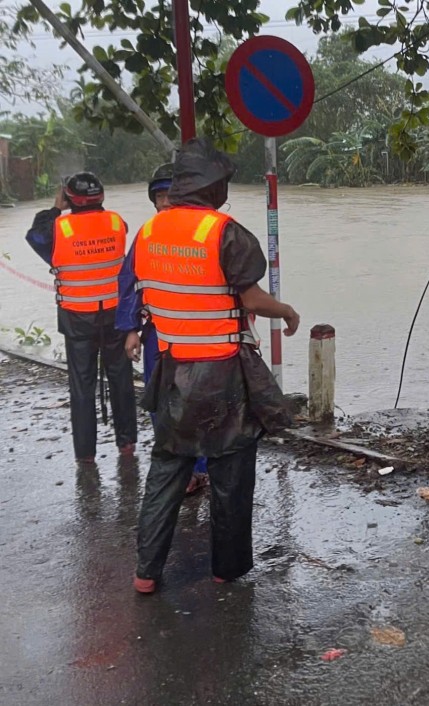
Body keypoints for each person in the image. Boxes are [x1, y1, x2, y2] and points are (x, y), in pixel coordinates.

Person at [120, 138, 300, 594]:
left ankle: (146, 572)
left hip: (174, 369)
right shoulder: (225, 232)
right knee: (232, 475)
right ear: (211, 186)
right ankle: (227, 568)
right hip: (222, 376)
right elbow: (251, 297)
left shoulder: (148, 233)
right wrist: (287, 312)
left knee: (166, 471)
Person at [25, 172, 137, 464]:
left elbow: (35, 235)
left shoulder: (58, 228)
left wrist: (54, 207)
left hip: (77, 318)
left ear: (68, 199)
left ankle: (85, 453)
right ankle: (127, 444)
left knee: (82, 385)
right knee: (120, 379)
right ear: (102, 196)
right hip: (114, 314)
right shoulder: (117, 223)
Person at [117, 163, 210, 496]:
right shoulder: (147, 234)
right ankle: (179, 466)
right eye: (159, 195)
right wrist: (130, 330)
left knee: (198, 403)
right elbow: (130, 283)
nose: (166, 201)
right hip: (159, 335)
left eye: (171, 193)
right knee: (161, 404)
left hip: (202, 334)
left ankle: (200, 469)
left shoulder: (207, 230)